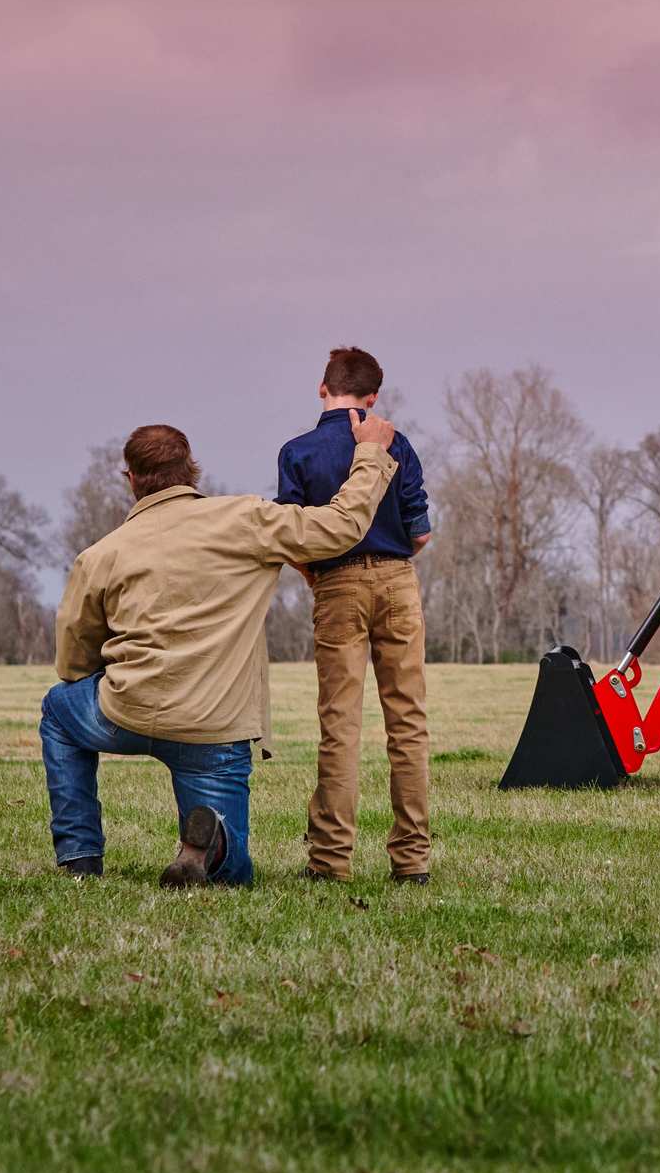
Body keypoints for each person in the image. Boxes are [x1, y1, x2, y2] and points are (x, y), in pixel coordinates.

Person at [42, 413, 398, 886]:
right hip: (214, 727)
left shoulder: (102, 554)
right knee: (232, 875)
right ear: (193, 469)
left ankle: (80, 857)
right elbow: (339, 526)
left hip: (122, 711)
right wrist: (370, 453)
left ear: (130, 480)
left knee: (58, 711)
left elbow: (73, 660)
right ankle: (210, 849)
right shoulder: (246, 520)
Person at [277, 346, 436, 884]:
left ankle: (329, 861)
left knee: (340, 727)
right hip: (398, 582)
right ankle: (412, 861)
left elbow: (291, 534)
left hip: (335, 583)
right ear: (373, 398)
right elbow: (421, 533)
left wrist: (317, 574)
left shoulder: (296, 453)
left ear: (322, 388)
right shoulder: (400, 445)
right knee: (408, 724)